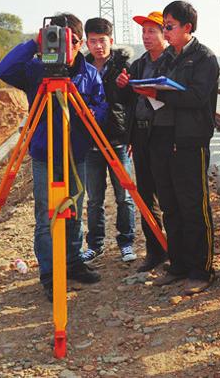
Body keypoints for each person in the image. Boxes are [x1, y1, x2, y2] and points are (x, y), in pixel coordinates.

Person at [0, 13, 107, 300]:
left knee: (73, 212)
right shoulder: (36, 70)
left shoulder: (89, 73)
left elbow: (101, 106)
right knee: (46, 217)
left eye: (69, 40)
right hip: (45, 154)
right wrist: (34, 44)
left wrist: (89, 112)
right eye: (54, 38)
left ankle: (73, 263)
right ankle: (50, 274)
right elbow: (4, 70)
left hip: (76, 154)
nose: (62, 46)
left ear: (79, 43)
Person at [134, 1, 219, 296]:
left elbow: (196, 98)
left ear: (187, 27)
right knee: (170, 205)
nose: (165, 32)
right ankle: (178, 264)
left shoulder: (204, 58)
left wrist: (159, 94)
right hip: (161, 137)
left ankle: (202, 269)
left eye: (169, 27)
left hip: (189, 140)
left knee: (193, 205)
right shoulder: (168, 57)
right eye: (165, 27)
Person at [115, 11, 169, 272]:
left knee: (168, 195)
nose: (146, 37)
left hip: (163, 135)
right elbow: (127, 101)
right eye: (144, 32)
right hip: (141, 135)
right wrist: (122, 85)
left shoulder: (172, 62)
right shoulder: (139, 64)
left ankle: (176, 249)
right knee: (146, 195)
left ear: (165, 33)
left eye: (152, 31)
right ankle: (155, 250)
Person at [82, 17, 137, 264]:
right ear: (87, 42)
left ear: (111, 41)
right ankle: (95, 245)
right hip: (90, 143)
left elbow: (134, 103)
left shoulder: (123, 66)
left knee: (124, 196)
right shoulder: (80, 67)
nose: (98, 46)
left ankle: (126, 243)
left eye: (102, 41)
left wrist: (131, 136)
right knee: (94, 199)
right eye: (93, 41)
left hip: (117, 141)